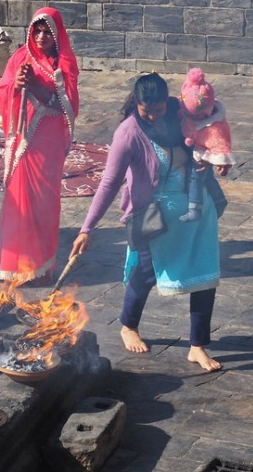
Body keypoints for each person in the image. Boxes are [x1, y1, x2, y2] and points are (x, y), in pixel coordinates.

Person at [70, 73, 224, 372]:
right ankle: (128, 325)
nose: (153, 116)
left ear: (167, 101)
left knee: (206, 275)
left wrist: (209, 159)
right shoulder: (128, 133)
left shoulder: (180, 114)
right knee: (144, 273)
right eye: (146, 111)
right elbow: (109, 182)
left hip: (196, 211)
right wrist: (87, 228)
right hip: (155, 216)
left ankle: (197, 346)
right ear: (137, 104)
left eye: (158, 109)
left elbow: (210, 132)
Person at [0, 7, 79, 285]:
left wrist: (35, 88)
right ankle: (15, 265)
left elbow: (65, 106)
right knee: (18, 201)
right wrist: (17, 86)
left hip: (47, 143)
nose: (41, 36)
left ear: (57, 36)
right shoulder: (21, 57)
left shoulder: (63, 64)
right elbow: (3, 91)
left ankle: (40, 265)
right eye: (37, 30)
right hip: (23, 142)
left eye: (47, 32)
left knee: (43, 203)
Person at [178, 67, 234, 222]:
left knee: (195, 177)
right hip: (193, 150)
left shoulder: (215, 124)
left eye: (203, 115)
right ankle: (219, 199)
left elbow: (220, 142)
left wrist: (222, 161)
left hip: (203, 153)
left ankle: (194, 208)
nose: (199, 118)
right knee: (207, 178)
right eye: (193, 115)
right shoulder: (184, 112)